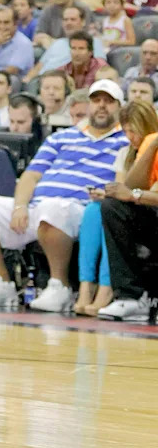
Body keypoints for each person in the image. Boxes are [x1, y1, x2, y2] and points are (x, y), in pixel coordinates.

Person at [0, 80, 128, 311]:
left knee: (54, 208)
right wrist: (20, 207)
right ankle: (1, 281)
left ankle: (59, 285)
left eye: (109, 101)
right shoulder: (61, 138)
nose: (101, 106)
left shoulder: (125, 141)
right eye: (96, 100)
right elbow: (30, 176)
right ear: (88, 104)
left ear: (120, 107)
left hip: (80, 209)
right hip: (39, 206)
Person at [76, 100, 158, 316]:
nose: (131, 137)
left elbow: (137, 193)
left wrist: (152, 145)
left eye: (135, 131)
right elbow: (128, 187)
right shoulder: (132, 152)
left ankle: (106, 290)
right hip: (148, 216)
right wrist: (148, 150)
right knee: (108, 207)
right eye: (127, 131)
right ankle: (128, 296)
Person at [99, 123, 158, 321]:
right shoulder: (152, 141)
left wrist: (135, 195)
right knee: (113, 206)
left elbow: (133, 192)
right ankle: (131, 297)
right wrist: (152, 146)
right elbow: (131, 186)